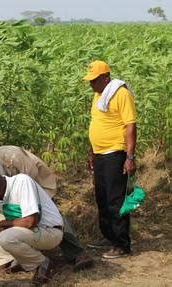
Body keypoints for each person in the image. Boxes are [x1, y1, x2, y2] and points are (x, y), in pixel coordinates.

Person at [83, 61, 137, 259]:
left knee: (115, 200)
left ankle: (122, 244)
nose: (91, 84)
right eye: (90, 80)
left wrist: (129, 157)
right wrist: (91, 152)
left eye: (94, 80)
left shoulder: (121, 94)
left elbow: (130, 126)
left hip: (115, 153)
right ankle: (109, 236)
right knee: (102, 198)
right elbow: (95, 124)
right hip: (100, 155)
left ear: (105, 77)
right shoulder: (99, 96)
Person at [0, 170, 63, 284]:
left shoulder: (22, 182)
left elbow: (30, 222)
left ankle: (42, 263)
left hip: (50, 232)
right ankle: (11, 261)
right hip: (30, 232)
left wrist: (5, 223)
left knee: (5, 238)